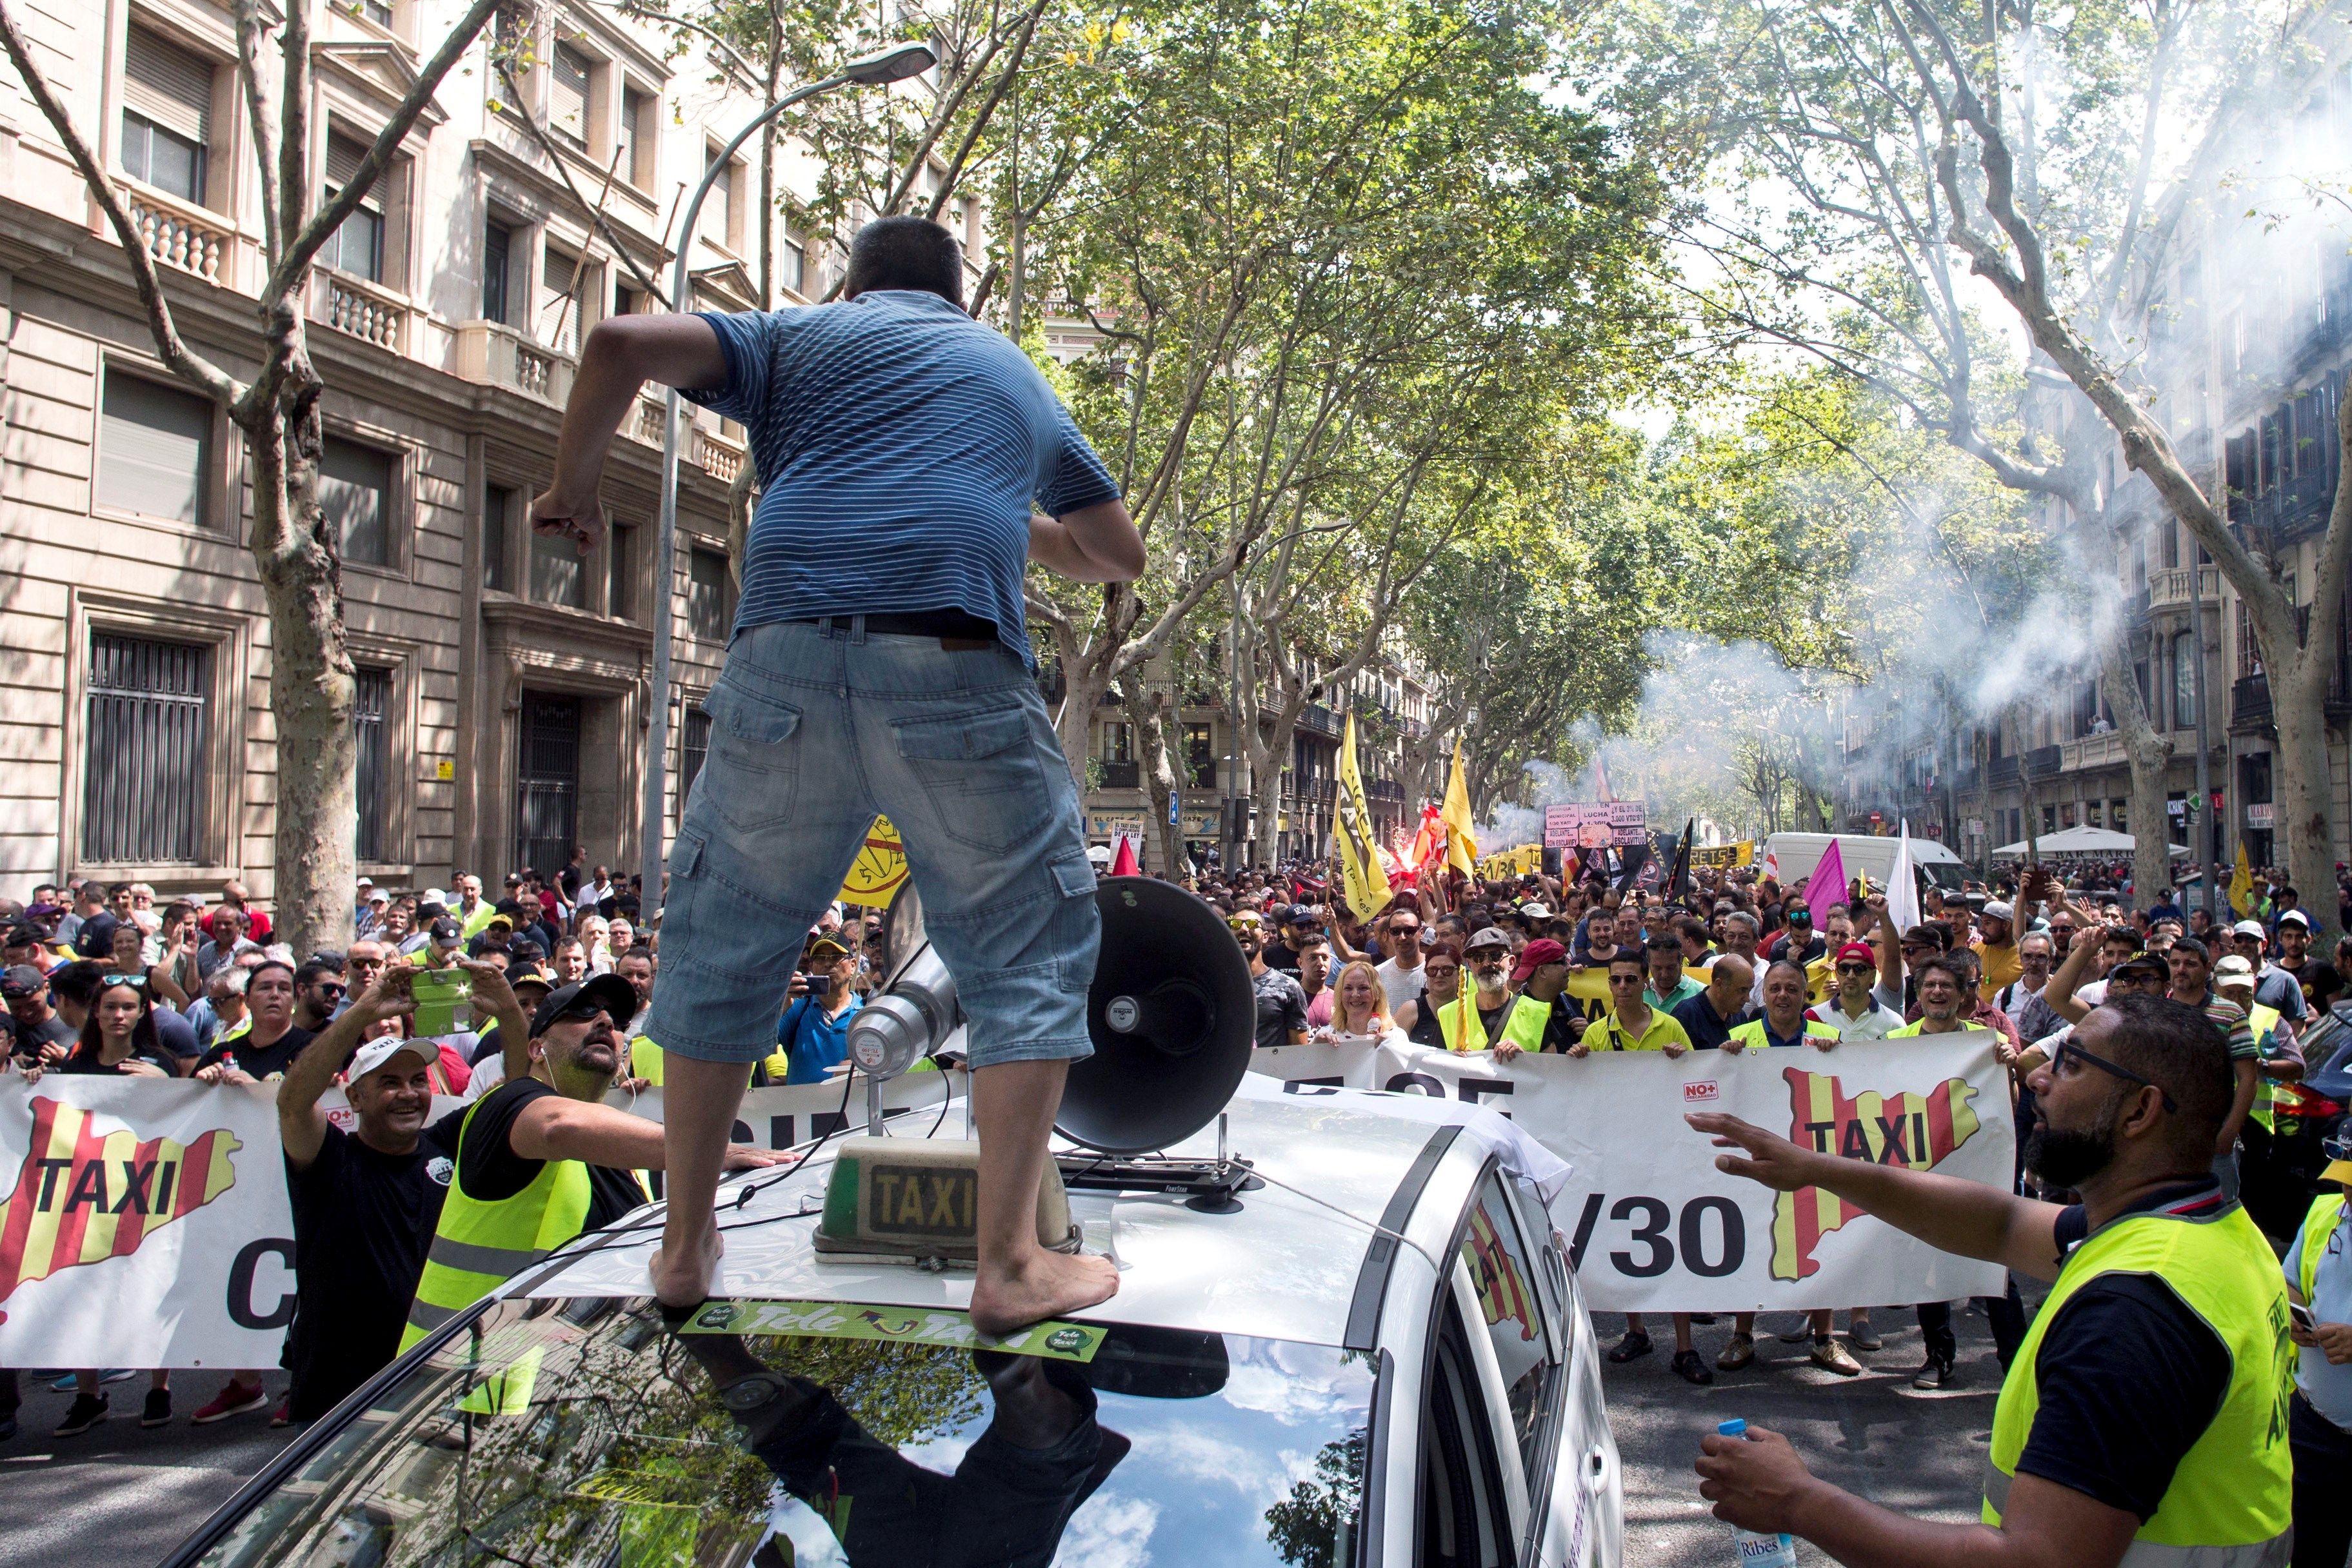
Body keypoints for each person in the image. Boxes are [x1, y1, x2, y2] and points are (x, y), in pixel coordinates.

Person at [531, 216, 1142, 1335]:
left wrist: (571, 489)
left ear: (850, 285)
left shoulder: (795, 336)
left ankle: (682, 1244)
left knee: (731, 936)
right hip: (956, 653)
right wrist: (1014, 522)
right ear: (960, 301)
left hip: (786, 650)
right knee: (1025, 949)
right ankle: (1008, 1262)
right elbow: (1118, 552)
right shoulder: (1013, 376)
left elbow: (618, 340)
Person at [1693, 995, 2291, 1568]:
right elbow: (2003, 1222)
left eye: (2072, 1063)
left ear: (2141, 1110)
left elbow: (2037, 1560)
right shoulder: (2207, 1231)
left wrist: (1798, 1500)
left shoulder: (2133, 1313)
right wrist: (1817, 1167)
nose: (2038, 1077)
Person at [401, 975, 789, 1349]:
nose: (605, 1021)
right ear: (537, 1049)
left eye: (617, 1020)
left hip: (558, 1388)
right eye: (582, 1011)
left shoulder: (623, 1153)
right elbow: (558, 1125)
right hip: (451, 1393)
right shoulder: (505, 1105)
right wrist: (712, 1153)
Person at [276, 959, 523, 1423]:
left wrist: (509, 1012)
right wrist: (363, 1011)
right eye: (389, 1082)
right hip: (340, 1386)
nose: (408, 1093)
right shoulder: (329, 1157)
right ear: (355, 1098)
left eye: (416, 1080)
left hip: (435, 1376)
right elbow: (292, 1101)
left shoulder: (447, 1142)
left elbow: (518, 1094)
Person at [1718, 961, 1859, 1376]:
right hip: (1757, 1159)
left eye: (1791, 989)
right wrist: (1724, 1062)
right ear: (1764, 995)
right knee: (1753, 1242)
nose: (1783, 995)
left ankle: (1825, 1339)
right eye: (1775, 988)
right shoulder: (1738, 1039)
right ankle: (1742, 1335)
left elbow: (1848, 1092)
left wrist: (1840, 1061)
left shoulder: (1828, 1038)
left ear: (1804, 994)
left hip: (1812, 1155)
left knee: (1820, 1242)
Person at [2284, 1133, 2352, 1568]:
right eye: (2346, 1180)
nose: (2348, 1193)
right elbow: (2288, 1278)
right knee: (2309, 1553)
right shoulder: (2326, 1211)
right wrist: (2293, 1314)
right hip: (2314, 1429)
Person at [770, 934, 864, 1085]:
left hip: (852, 1105)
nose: (828, 963)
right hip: (802, 1106)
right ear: (812, 966)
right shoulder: (797, 1008)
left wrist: (861, 1066)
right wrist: (781, 1006)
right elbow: (761, 1044)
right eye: (820, 958)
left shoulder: (867, 1012)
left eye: (836, 957)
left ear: (853, 965)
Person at [1493, 939, 1582, 1058]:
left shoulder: (1572, 1005)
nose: (1569, 967)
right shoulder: (1514, 1010)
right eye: (1562, 962)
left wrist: (1588, 1036)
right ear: (1542, 972)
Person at [1813, 942, 1904, 1040]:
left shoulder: (1894, 1024)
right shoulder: (1814, 1017)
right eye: (1844, 969)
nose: (1851, 975)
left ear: (1873, 975)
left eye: (1859, 969)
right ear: (1837, 974)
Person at [1244, 923, 1311, 1049]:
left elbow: (1299, 1051)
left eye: (1252, 923)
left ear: (1265, 936)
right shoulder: (1219, 985)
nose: (1244, 928)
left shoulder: (1289, 986)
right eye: (1235, 924)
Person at [1671, 953, 1757, 1052]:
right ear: (1719, 985)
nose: (1747, 999)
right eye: (1742, 990)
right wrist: (1717, 1055)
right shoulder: (1687, 1014)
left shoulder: (1739, 1016)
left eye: (1749, 990)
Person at [1315, 959, 1405, 1049]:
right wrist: (1315, 1049)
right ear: (1340, 994)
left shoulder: (1395, 1037)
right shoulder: (1325, 1037)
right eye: (1348, 988)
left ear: (1377, 993)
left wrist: (1392, 1049)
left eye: (1363, 988)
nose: (1355, 994)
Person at [3, 963, 76, 1066]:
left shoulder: (74, 1023)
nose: (26, 1013)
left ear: (47, 988)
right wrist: (8, 1064)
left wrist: (66, 1061)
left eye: (32, 1005)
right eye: (16, 1008)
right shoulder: (4, 1030)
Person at [1372, 909, 1428, 1017]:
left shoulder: (1436, 972)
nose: (1402, 937)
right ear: (1389, 935)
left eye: (1409, 931)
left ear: (1421, 933)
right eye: (1396, 931)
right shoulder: (1377, 974)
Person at [1644, 933, 1702, 1013]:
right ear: (1648, 963)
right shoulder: (1639, 993)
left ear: (1681, 960)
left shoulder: (1701, 994)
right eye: (1658, 968)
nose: (1664, 975)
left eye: (1670, 968)